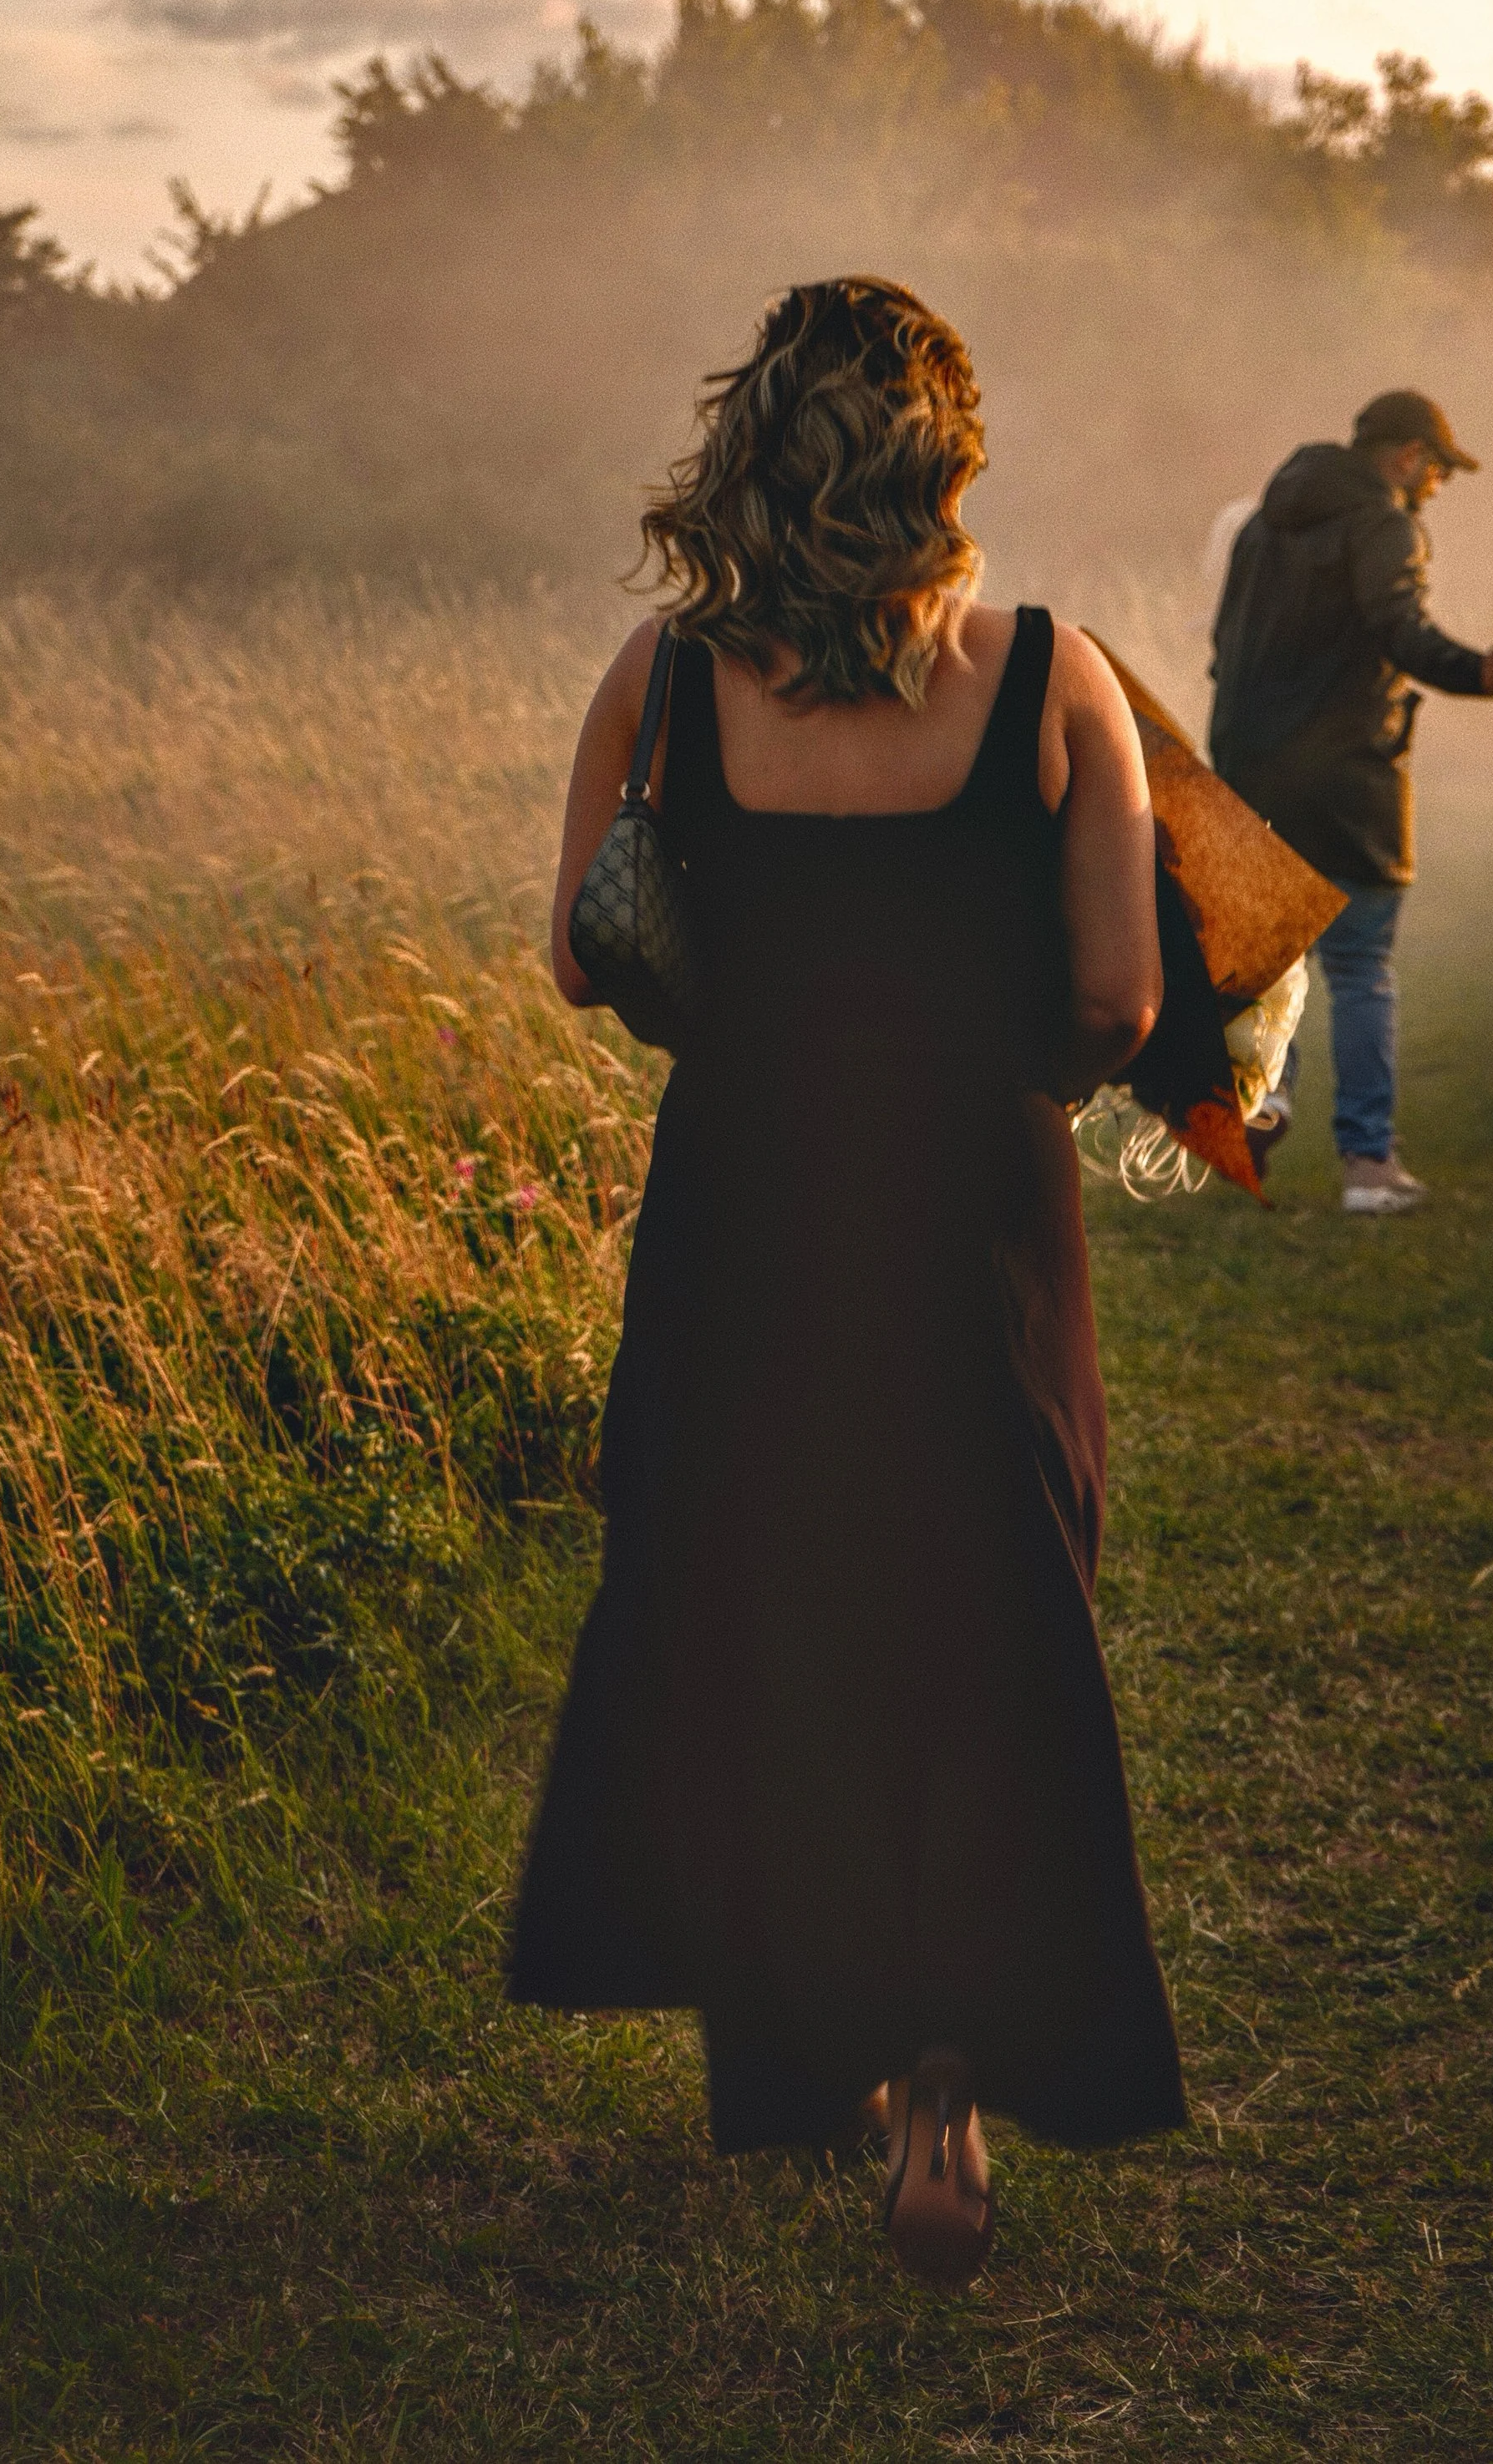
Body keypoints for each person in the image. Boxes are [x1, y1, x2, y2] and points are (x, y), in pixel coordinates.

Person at [510, 276, 1186, 2286]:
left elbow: (578, 957)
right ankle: (952, 2078)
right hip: (976, 1206)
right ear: (944, 459)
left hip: (745, 1207)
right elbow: (1118, 996)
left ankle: (837, 2043)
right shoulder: (1054, 678)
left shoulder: (663, 679)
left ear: (749, 453)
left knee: (774, 1614)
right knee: (990, 1609)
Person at [1207, 388, 1493, 1217]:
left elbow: (1223, 646)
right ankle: (1367, 1168)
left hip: (1247, 769)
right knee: (1359, 969)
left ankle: (1265, 1103)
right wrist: (1478, 672)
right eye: (1438, 471)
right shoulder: (1384, 524)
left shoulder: (1260, 524)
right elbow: (1400, 629)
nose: (1435, 488)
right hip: (1347, 781)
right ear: (1409, 456)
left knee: (1269, 963)